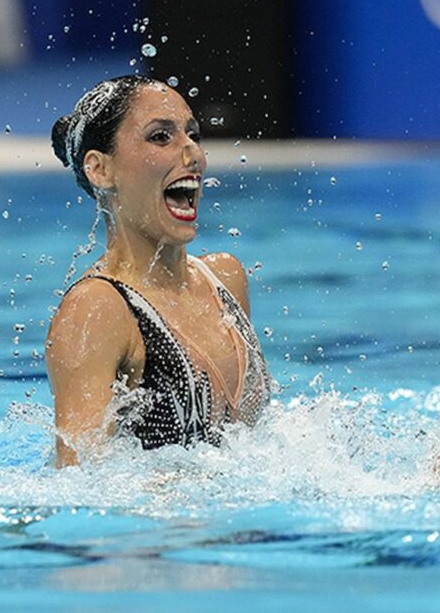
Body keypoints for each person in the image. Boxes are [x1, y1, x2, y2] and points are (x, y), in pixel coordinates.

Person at [46, 75, 273, 466]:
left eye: (192, 135)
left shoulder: (224, 279)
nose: (192, 155)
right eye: (160, 137)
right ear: (100, 170)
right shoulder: (97, 310)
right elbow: (77, 486)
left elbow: (253, 447)